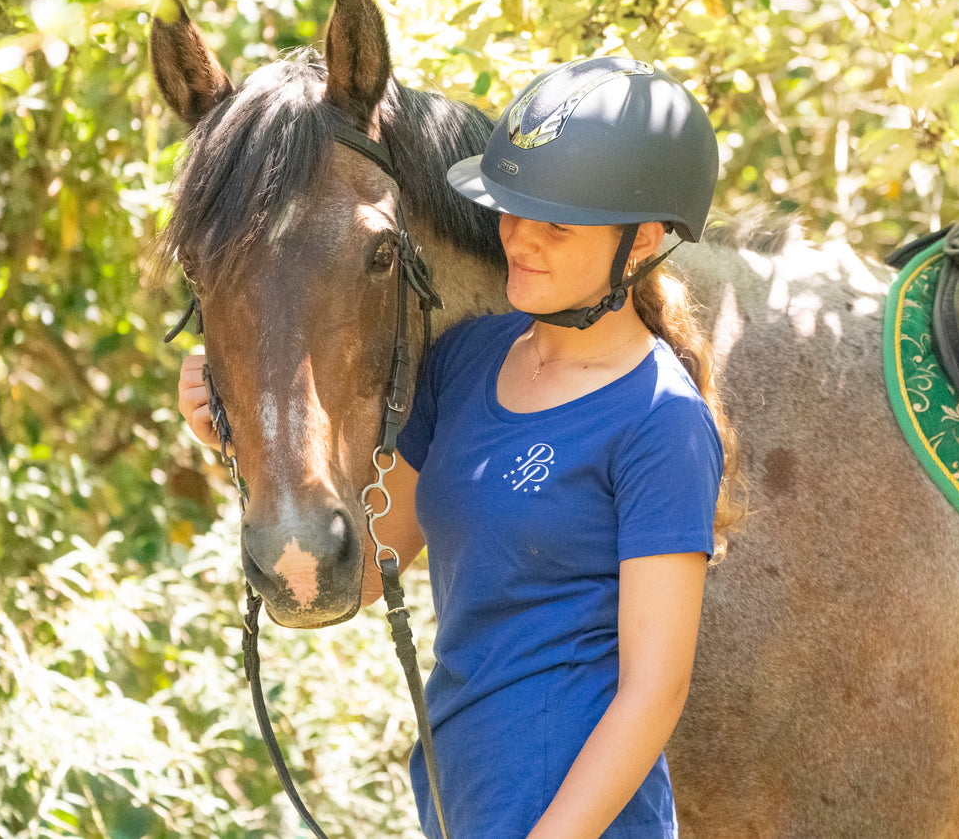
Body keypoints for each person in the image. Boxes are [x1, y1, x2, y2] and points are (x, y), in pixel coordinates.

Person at [178, 57, 743, 838]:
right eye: (512, 210)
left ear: (641, 240)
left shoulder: (660, 419)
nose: (519, 239)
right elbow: (367, 573)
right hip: (461, 803)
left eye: (557, 224)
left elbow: (655, 690)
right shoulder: (467, 362)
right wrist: (235, 437)